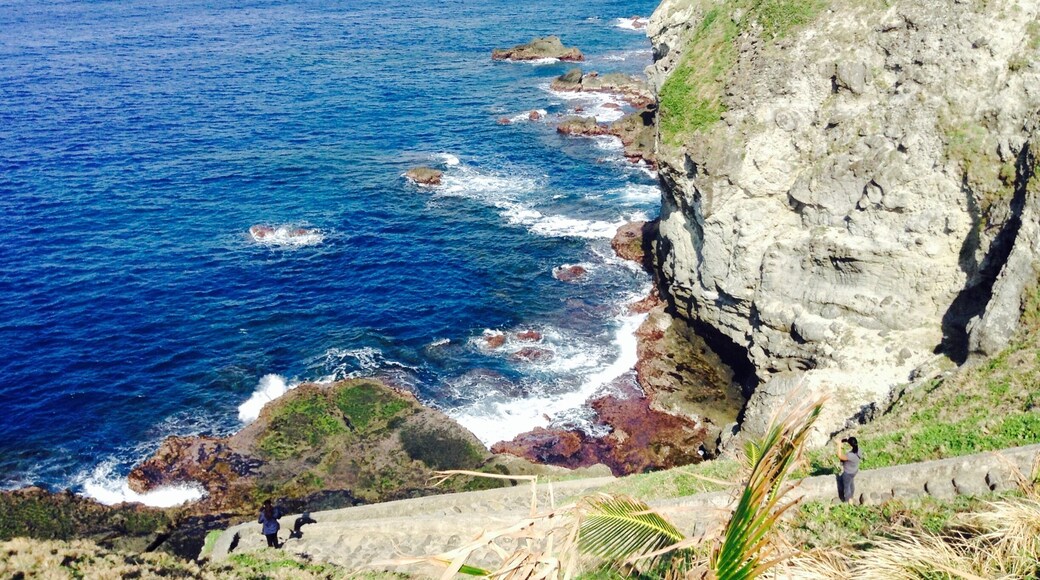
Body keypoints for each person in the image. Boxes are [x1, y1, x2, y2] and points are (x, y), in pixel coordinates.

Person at [836, 436, 862, 503]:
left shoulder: (850, 456)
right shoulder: (859, 450)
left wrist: (839, 445)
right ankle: (852, 496)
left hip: (848, 473)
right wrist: (845, 440)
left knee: (847, 487)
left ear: (850, 445)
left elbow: (840, 456)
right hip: (854, 471)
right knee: (851, 483)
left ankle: (849, 500)